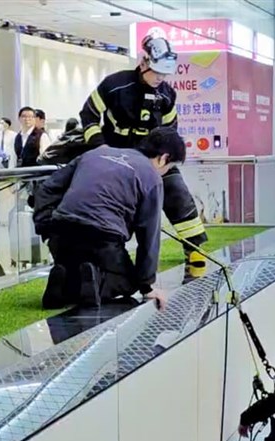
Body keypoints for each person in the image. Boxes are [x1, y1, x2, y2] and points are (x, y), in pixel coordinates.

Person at [80, 35, 207, 273]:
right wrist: (99, 146)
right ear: (144, 62)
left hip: (154, 159)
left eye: (164, 75)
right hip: (118, 158)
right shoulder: (114, 85)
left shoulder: (167, 95)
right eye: (157, 73)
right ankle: (107, 258)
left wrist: (165, 160)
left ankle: (195, 248)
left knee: (177, 192)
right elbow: (88, 114)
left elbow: (171, 130)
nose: (160, 79)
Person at [32, 127, 186, 310]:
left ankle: (62, 282)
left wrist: (45, 228)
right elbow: (149, 236)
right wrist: (146, 285)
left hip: (60, 233)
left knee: (75, 264)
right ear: (164, 158)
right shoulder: (152, 177)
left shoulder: (95, 154)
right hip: (102, 239)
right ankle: (94, 282)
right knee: (128, 282)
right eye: (169, 167)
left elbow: (47, 188)